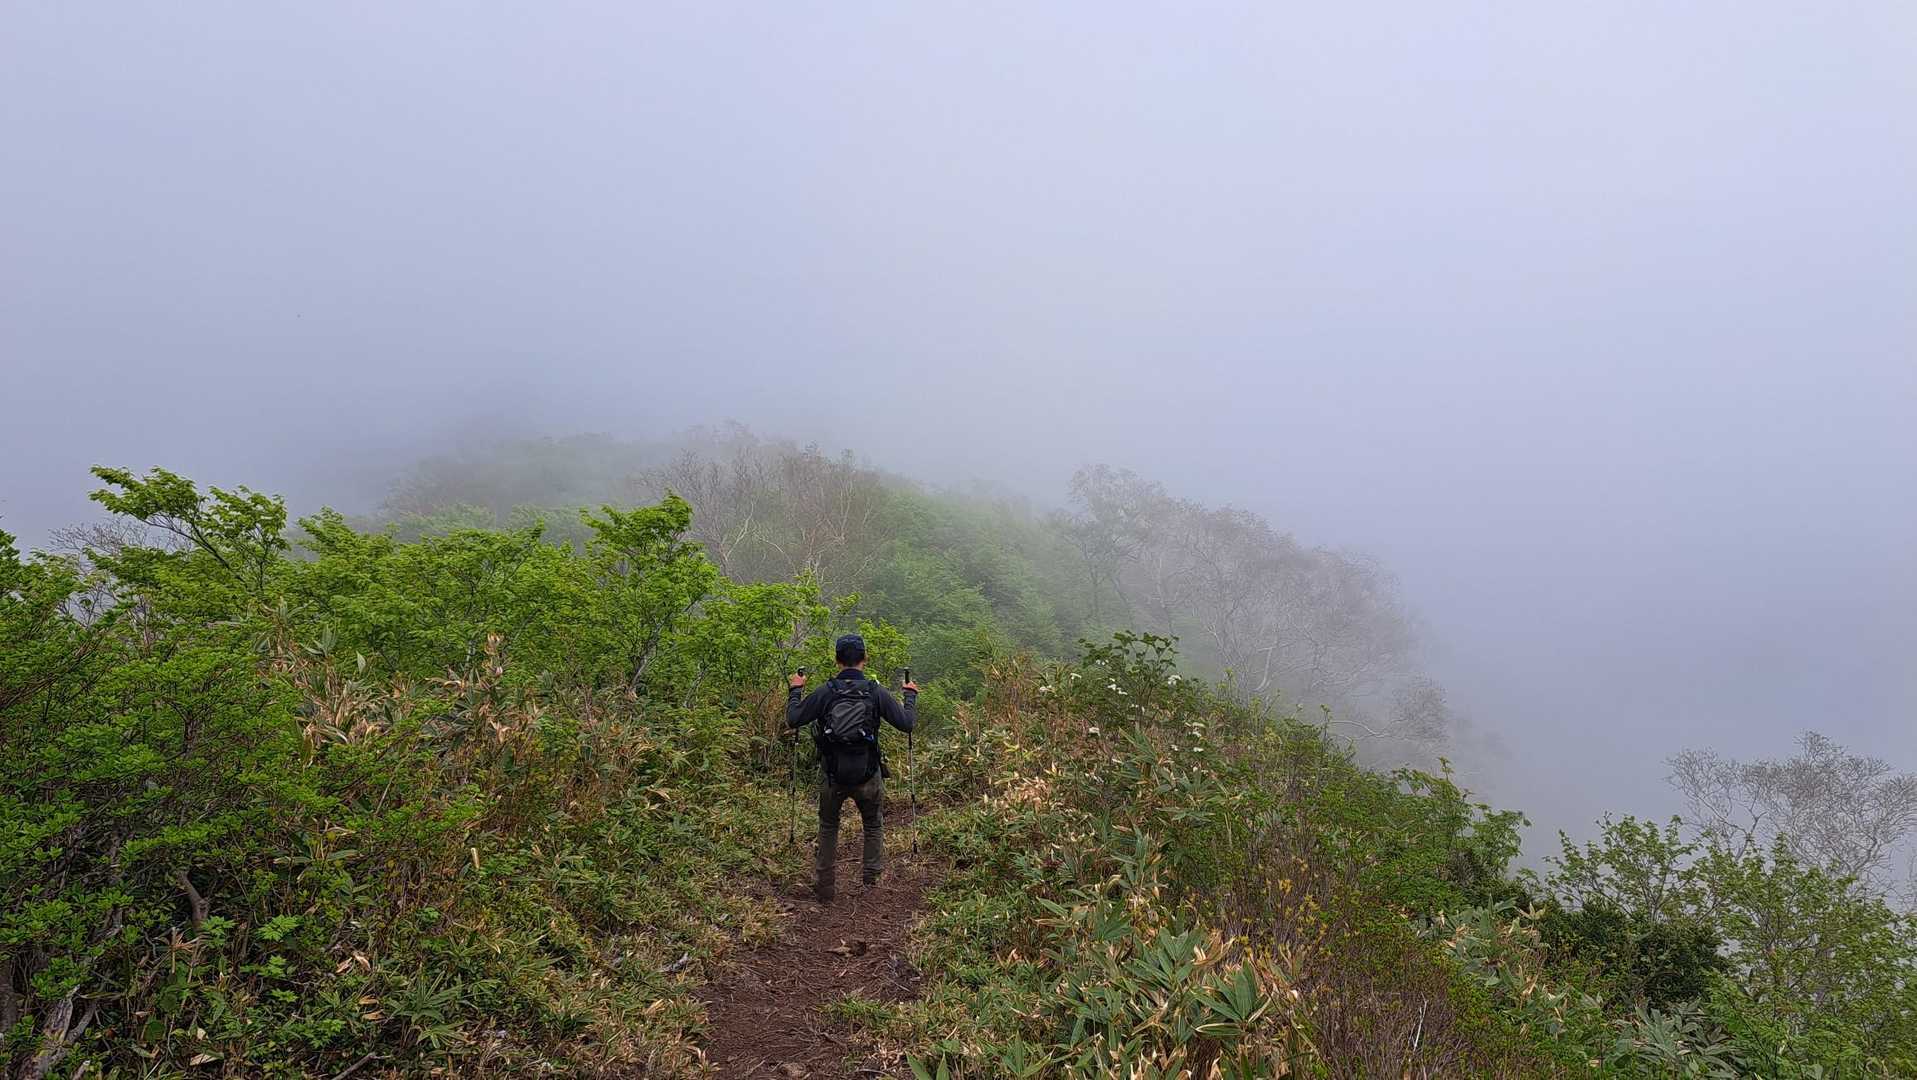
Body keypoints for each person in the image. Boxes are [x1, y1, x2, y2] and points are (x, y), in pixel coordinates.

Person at [786, 633, 917, 902]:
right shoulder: (875, 692)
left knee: (828, 825)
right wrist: (910, 696)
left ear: (837, 660)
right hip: (867, 773)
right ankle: (871, 883)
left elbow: (794, 719)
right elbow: (906, 724)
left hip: (832, 774)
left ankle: (825, 887)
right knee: (872, 824)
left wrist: (796, 690)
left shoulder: (826, 691)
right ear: (864, 659)